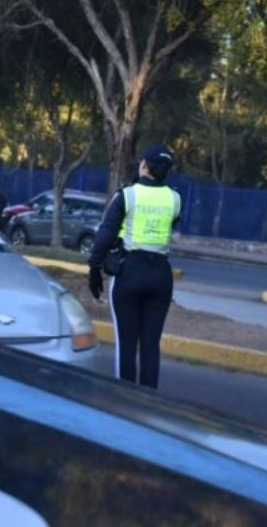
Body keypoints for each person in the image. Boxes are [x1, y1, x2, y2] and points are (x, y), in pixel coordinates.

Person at [88, 144, 181, 388]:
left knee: (127, 344)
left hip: (130, 272)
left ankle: (126, 400)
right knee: (151, 345)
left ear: (143, 165)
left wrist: (94, 269)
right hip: (161, 274)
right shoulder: (174, 198)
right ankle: (148, 401)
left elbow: (105, 234)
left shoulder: (128, 195)